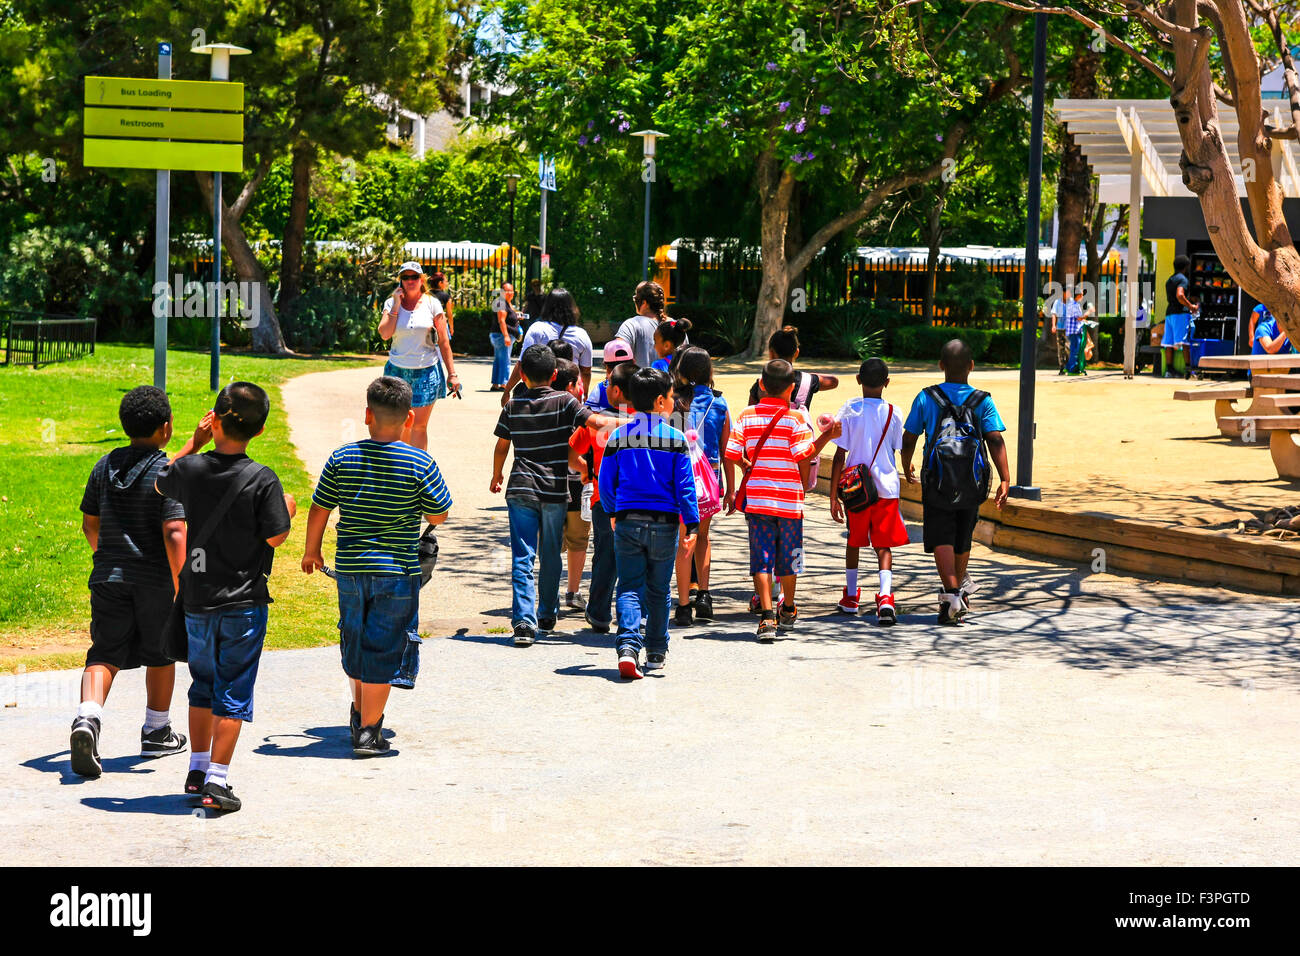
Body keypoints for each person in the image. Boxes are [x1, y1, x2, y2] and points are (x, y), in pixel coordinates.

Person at [155, 382, 296, 813]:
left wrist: (193, 442)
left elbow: (162, 483)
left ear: (213, 420)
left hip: (197, 599)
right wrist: (287, 509)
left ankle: (197, 769)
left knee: (203, 685)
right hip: (243, 602)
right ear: (262, 429)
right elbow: (275, 536)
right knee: (234, 691)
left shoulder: (191, 470)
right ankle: (217, 780)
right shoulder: (263, 479)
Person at [301, 376, 453, 757]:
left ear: (367, 415)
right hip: (397, 573)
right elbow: (440, 513)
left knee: (355, 636)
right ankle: (369, 731)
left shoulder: (343, 458)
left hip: (350, 569)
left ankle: (358, 710)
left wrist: (312, 551)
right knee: (384, 646)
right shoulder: (420, 462)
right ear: (409, 418)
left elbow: (320, 507)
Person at [70, 386, 189, 779]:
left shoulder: (103, 466)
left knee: (103, 652)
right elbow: (174, 530)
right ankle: (156, 731)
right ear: (166, 428)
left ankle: (87, 720)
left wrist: (106, 556)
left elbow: (90, 523)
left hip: (108, 576)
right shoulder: (166, 471)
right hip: (154, 579)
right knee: (162, 653)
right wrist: (179, 581)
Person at [491, 345, 613, 644]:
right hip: (554, 488)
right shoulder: (565, 401)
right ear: (555, 374)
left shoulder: (513, 405)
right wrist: (637, 422)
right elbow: (594, 423)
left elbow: (502, 445)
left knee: (522, 555)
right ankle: (546, 613)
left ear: (522, 374)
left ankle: (523, 622)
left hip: (520, 487)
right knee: (549, 554)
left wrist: (496, 474)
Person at [726, 360, 841, 642]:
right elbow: (805, 454)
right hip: (790, 501)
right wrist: (828, 435)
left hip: (757, 500)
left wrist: (747, 465)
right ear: (792, 389)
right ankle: (787, 607)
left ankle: (766, 617)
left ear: (761, 385)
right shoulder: (796, 418)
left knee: (761, 557)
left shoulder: (747, 414)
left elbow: (731, 452)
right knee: (791, 556)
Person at [899, 340, 1010, 626]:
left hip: (937, 480)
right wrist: (1006, 478)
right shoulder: (983, 400)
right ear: (971, 367)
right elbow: (995, 438)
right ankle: (956, 593)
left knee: (940, 536)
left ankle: (951, 594)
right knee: (963, 536)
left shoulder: (927, 397)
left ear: (941, 366)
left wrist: (906, 461)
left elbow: (909, 436)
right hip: (973, 482)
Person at [598, 367, 700, 679]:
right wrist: (691, 524)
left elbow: (606, 482)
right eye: (671, 397)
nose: (673, 402)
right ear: (659, 401)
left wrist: (613, 511)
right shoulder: (676, 438)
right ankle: (656, 650)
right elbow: (685, 486)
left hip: (627, 520)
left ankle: (628, 647)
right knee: (658, 589)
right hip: (665, 525)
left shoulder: (618, 436)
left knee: (629, 586)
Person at [828, 359, 909, 624]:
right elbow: (895, 448)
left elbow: (840, 454)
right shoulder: (893, 412)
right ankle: (885, 597)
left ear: (857, 379)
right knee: (882, 544)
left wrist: (832, 495)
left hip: (855, 488)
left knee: (854, 540)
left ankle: (851, 595)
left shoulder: (850, 409)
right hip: (886, 486)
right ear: (887, 382)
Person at [570, 362, 636, 634]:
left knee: (605, 556)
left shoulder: (597, 422)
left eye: (608, 384)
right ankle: (632, 616)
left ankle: (599, 613)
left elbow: (571, 455)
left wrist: (588, 472)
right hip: (639, 501)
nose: (605, 388)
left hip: (603, 500)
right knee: (635, 559)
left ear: (617, 390)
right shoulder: (650, 422)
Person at [671, 347, 733, 625]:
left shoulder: (673, 402)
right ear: (710, 372)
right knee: (703, 537)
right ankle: (704, 596)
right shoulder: (720, 404)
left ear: (681, 372)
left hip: (679, 478)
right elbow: (727, 449)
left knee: (684, 539)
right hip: (709, 482)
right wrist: (731, 488)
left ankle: (683, 603)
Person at [378, 261, 460, 447]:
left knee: (419, 426)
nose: (410, 281)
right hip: (397, 372)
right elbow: (384, 334)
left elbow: (444, 341)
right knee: (400, 425)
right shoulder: (391, 303)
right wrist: (397, 305)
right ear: (400, 281)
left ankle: (418, 470)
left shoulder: (433, 304)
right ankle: (401, 469)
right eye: (405, 277)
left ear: (421, 279)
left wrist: (452, 374)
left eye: (414, 276)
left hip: (426, 371)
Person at [552, 358, 592, 611]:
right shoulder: (579, 410)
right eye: (578, 383)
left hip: (550, 486)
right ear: (570, 386)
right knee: (578, 540)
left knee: (552, 543)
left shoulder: (543, 407)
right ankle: (573, 591)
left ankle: (552, 593)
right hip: (577, 484)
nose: (581, 387)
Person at [504, 288, 594, 400]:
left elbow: (522, 363)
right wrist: (584, 395)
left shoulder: (537, 329)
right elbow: (586, 372)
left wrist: (507, 391)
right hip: (570, 396)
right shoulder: (582, 335)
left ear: (547, 306)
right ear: (572, 308)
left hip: (541, 396)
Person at [746, 326, 839, 411]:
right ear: (796, 353)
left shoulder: (761, 384)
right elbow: (834, 381)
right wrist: (808, 375)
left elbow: (750, 413)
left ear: (771, 353)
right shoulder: (807, 381)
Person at [618, 280, 679, 368]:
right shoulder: (676, 326)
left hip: (638, 381)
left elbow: (617, 353)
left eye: (635, 299)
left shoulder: (631, 325)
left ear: (644, 303)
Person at [1162, 255, 1194, 378]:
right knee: (1184, 342)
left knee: (1168, 344)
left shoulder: (1170, 280)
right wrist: (1191, 306)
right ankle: (1188, 371)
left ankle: (1169, 371)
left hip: (1169, 313)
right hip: (1180, 314)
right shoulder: (1183, 279)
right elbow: (1180, 295)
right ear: (1186, 267)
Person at [586, 339, 637, 412]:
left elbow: (587, 414)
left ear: (607, 367)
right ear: (634, 362)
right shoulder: (643, 386)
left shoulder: (601, 388)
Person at [489, 282, 521, 392]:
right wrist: (506, 336)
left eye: (511, 291)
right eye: (507, 291)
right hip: (501, 335)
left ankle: (496, 384)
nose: (510, 293)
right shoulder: (500, 302)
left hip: (500, 334)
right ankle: (503, 383)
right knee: (505, 360)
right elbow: (501, 321)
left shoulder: (505, 302)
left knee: (499, 359)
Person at [1063, 289, 1086, 375]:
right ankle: (1072, 370)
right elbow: (1079, 318)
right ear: (1079, 295)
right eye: (1082, 295)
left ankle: (1068, 368)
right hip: (1075, 332)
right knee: (1075, 350)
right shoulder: (1074, 305)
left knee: (1073, 349)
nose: (1082, 297)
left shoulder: (1071, 304)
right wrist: (1088, 313)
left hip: (1072, 331)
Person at [1047, 292, 1069, 374]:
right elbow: (1054, 314)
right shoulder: (1057, 302)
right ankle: (1062, 367)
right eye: (1067, 292)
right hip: (1060, 328)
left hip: (1069, 329)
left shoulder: (1071, 302)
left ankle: (1068, 366)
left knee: (1068, 347)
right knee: (1061, 348)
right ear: (1063, 293)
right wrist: (1053, 325)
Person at [430, 272, 455, 339]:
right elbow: (449, 314)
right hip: (441, 325)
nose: (447, 284)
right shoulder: (446, 297)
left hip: (428, 324)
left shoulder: (426, 294)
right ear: (440, 283)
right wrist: (451, 327)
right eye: (445, 281)